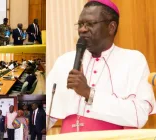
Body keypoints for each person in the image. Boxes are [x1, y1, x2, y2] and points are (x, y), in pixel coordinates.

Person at [46, 0, 155, 133]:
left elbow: (139, 115)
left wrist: (89, 93)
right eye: (80, 24)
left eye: (90, 24)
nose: (82, 29)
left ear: (111, 27)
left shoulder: (133, 61)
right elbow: (46, 113)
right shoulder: (64, 61)